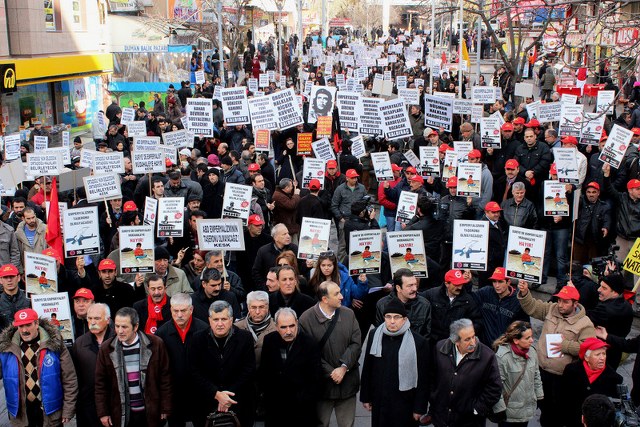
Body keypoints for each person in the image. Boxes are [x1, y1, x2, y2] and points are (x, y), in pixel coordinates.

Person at [517, 281, 595, 426]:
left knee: (557, 413)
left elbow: (589, 349)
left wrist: (566, 346)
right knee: (543, 407)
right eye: (559, 300)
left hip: (561, 378)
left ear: (575, 304)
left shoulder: (585, 324)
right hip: (541, 371)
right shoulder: (551, 309)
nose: (560, 305)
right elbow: (532, 307)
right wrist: (524, 293)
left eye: (565, 302)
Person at [95, 307, 172, 427]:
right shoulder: (106, 348)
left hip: (150, 412)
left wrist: (165, 407)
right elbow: (100, 384)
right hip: (122, 414)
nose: (120, 331)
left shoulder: (156, 344)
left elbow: (165, 378)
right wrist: (103, 413)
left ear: (135, 327)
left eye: (124, 327)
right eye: (117, 326)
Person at [299, 281, 362, 427]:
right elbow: (308, 354)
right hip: (321, 388)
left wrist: (343, 367)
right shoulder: (305, 319)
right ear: (325, 299)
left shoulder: (349, 314)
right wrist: (331, 371)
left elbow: (356, 344)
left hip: (347, 385)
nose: (341, 296)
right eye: (337, 294)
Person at [0, 308, 78, 426]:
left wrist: (68, 409)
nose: (24, 330)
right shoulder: (6, 348)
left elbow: (70, 379)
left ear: (36, 323)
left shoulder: (55, 344)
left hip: (50, 412)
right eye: (20, 326)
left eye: (28, 325)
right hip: (22, 415)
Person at [361, 299, 430, 426]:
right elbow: (368, 367)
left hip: (405, 403)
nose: (392, 321)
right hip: (380, 400)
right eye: (388, 317)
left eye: (396, 317)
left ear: (404, 319)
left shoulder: (419, 342)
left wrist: (419, 408)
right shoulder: (374, 335)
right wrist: (366, 397)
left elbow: (423, 379)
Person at [188, 300, 256, 427]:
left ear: (231, 320)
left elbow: (248, 369)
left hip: (238, 402)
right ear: (209, 320)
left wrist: (227, 397)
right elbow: (194, 371)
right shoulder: (197, 339)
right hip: (206, 403)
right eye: (216, 319)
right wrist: (216, 394)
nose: (219, 324)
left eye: (224, 319)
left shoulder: (245, 338)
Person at [430, 318, 502, 427]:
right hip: (442, 418)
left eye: (473, 336)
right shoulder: (440, 348)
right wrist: (434, 399)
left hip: (469, 421)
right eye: (467, 339)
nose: (473, 342)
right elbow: (431, 377)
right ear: (456, 341)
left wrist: (477, 409)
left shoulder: (487, 356)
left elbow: (495, 388)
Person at [259, 307, 321, 427]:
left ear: (297, 323)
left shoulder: (309, 343)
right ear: (276, 326)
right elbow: (265, 372)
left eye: (292, 326)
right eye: (283, 327)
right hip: (275, 408)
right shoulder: (269, 340)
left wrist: (303, 399)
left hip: (302, 409)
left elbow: (315, 378)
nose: (288, 331)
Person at [155, 293, 209, 427]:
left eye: (183, 311)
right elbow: (159, 368)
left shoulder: (204, 330)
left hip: (200, 393)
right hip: (174, 394)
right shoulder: (162, 333)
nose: (179, 315)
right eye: (175, 311)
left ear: (191, 310)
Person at [491, 320, 543, 426]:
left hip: (526, 410)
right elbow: (496, 386)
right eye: (527, 338)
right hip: (509, 414)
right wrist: (500, 410)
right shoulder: (503, 357)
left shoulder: (532, 352)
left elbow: (536, 375)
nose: (532, 340)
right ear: (516, 340)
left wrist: (539, 396)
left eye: (531, 336)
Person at [561, 338, 622, 427]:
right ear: (586, 357)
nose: (602, 358)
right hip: (571, 421)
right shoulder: (571, 371)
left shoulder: (614, 379)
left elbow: (612, 409)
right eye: (597, 354)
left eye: (604, 354)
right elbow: (562, 397)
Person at [71, 303, 114, 427]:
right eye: (89, 318)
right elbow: (74, 376)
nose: (92, 322)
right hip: (87, 405)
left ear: (107, 320)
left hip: (113, 403)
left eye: (97, 318)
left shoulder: (117, 340)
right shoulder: (80, 343)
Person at [586, 272, 633, 369]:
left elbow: (585, 317)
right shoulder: (627, 306)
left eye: (604, 288)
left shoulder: (605, 309)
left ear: (615, 292)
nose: (599, 290)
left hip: (601, 353)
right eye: (600, 286)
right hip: (616, 352)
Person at [424, 269, 482, 345]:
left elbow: (478, 322)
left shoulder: (468, 300)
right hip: (434, 341)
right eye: (456, 284)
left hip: (456, 343)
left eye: (461, 284)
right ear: (447, 284)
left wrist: (464, 334)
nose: (460, 287)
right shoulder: (432, 294)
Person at [473, 267, 529, 345]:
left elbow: (524, 326)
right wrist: (467, 284)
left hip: (504, 348)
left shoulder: (517, 301)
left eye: (500, 282)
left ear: (508, 282)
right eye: (494, 282)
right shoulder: (485, 292)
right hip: (484, 346)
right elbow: (468, 300)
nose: (497, 285)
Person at [375, 268, 432, 339]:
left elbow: (426, 335)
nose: (414, 289)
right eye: (410, 285)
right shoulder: (382, 304)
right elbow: (380, 332)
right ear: (398, 288)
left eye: (415, 284)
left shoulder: (424, 305)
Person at [235, 290, 277, 367]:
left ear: (267, 307)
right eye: (253, 307)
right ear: (248, 307)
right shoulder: (237, 328)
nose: (257, 312)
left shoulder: (277, 328)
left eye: (261, 307)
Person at [0, 263, 30, 330]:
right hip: (5, 339)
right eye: (5, 277)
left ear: (18, 278)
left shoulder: (29, 298)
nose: (9, 280)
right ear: (0, 280)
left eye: (12, 276)